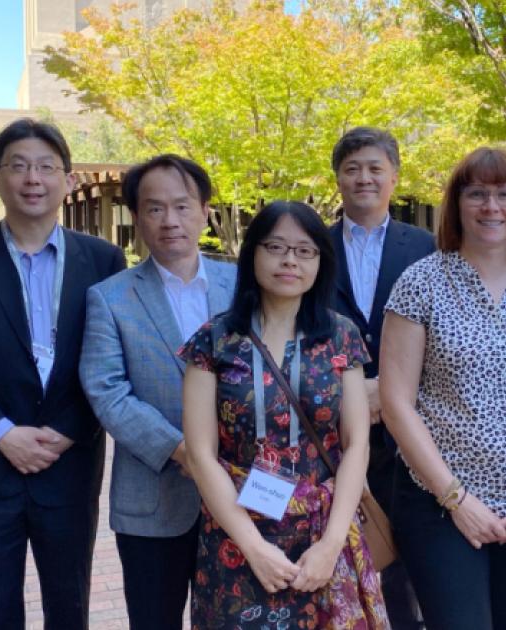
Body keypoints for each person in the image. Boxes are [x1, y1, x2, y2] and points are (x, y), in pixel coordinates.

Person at [0, 118, 126, 628]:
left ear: (68, 179)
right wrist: (3, 435)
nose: (32, 178)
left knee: (69, 608)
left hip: (70, 465)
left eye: (45, 167)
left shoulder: (103, 260)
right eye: (18, 166)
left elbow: (111, 361)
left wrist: (70, 430)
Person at [379, 147, 506, 629]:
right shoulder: (421, 282)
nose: (492, 207)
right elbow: (396, 402)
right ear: (456, 204)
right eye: (478, 194)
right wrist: (455, 499)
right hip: (439, 505)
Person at [180, 201, 388, 628]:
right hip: (236, 537)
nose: (290, 260)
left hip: (323, 533)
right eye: (276, 247)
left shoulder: (340, 336)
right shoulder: (213, 340)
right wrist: (254, 549)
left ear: (320, 262)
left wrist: (331, 546)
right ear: (253, 253)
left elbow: (356, 444)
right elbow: (201, 455)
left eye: (305, 250)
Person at [79, 155, 236, 629]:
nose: (170, 221)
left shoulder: (243, 283)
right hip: (153, 500)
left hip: (243, 494)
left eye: (182, 206)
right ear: (136, 216)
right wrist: (182, 451)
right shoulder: (110, 296)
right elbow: (107, 392)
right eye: (154, 209)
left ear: (205, 210)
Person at [327, 126, 433, 629]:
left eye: (374, 168)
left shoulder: (431, 248)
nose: (364, 179)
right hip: (332, 431)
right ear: (338, 179)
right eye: (352, 169)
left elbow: (444, 335)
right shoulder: (312, 248)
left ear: (394, 175)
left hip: (413, 432)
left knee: (411, 557)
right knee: (350, 554)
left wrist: (388, 390)